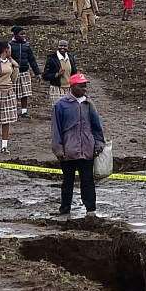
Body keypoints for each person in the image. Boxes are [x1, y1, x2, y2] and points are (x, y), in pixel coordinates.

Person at [52, 73, 105, 219]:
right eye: (81, 86)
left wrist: (99, 144)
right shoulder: (60, 105)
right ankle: (65, 209)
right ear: (73, 87)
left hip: (87, 150)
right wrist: (58, 149)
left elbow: (97, 127)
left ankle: (91, 209)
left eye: (85, 86)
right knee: (67, 181)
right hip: (68, 151)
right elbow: (56, 129)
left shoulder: (89, 104)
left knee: (87, 180)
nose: (84, 89)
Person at [8, 27, 37, 115]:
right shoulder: (10, 45)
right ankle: (13, 110)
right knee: (14, 92)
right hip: (14, 72)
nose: (24, 36)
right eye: (21, 34)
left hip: (25, 71)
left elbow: (32, 59)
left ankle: (24, 111)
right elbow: (8, 57)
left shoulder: (26, 45)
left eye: (24, 34)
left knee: (25, 92)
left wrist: (37, 73)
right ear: (15, 35)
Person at [43, 39, 75, 107]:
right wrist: (57, 74)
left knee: (68, 110)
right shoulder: (52, 58)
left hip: (69, 89)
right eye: (61, 45)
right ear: (57, 46)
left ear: (68, 47)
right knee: (57, 109)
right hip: (56, 88)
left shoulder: (70, 58)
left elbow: (74, 73)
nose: (62, 48)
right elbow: (45, 76)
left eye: (65, 46)